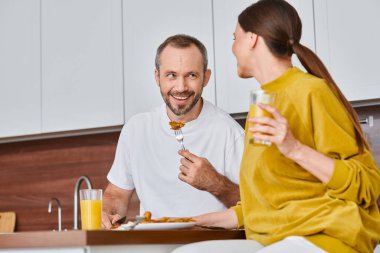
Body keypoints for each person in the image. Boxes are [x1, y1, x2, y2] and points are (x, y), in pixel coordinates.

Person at [173, 0, 380, 252]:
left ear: (252, 39)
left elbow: (368, 184)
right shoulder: (262, 102)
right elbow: (273, 196)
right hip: (276, 237)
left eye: (234, 37)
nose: (232, 48)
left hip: (324, 236)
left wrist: (295, 149)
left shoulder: (311, 91)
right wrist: (203, 221)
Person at [102, 34, 244, 229]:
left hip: (210, 245)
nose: (181, 87)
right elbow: (117, 193)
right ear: (157, 77)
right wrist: (108, 211)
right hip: (152, 245)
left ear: (206, 77)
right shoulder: (136, 130)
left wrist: (216, 184)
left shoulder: (230, 134)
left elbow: (255, 207)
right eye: (171, 75)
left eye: (191, 75)